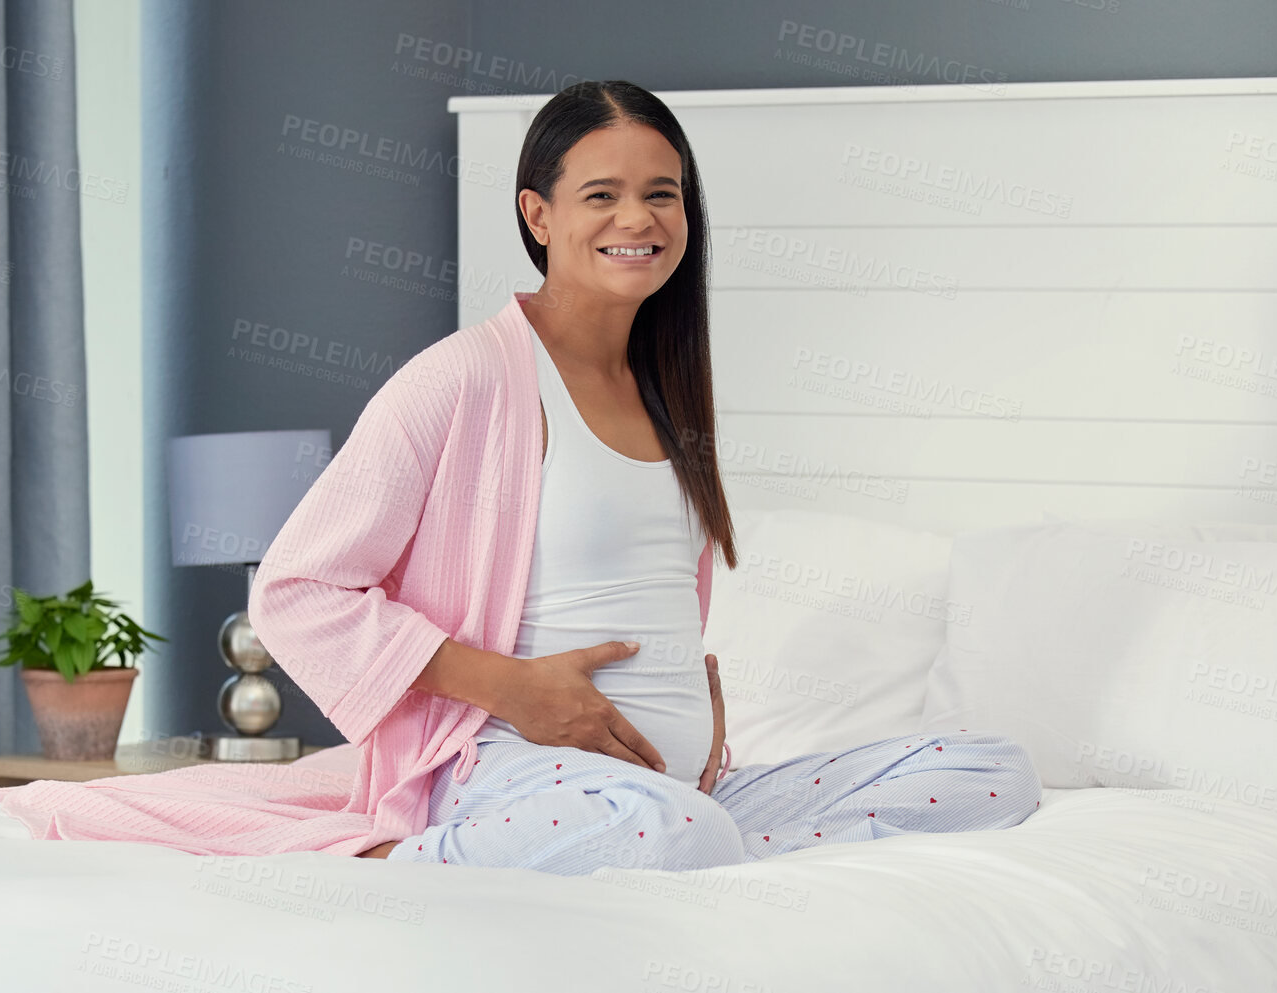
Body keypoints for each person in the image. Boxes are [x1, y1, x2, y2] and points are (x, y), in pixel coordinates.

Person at [249, 79, 1041, 877]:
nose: (638, 219)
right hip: (512, 773)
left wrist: (703, 703)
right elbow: (296, 590)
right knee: (672, 831)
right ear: (538, 215)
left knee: (990, 771)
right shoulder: (464, 380)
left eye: (662, 194)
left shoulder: (667, 389)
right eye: (603, 194)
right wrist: (513, 688)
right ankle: (405, 858)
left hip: (680, 786)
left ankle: (696, 839)